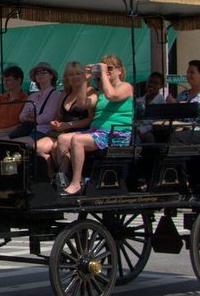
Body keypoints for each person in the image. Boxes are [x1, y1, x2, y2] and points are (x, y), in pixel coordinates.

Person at [56, 55, 134, 196]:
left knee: (77, 140)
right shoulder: (100, 93)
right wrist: (85, 80)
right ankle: (63, 179)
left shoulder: (125, 87)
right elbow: (82, 104)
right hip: (98, 132)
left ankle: (76, 182)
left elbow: (113, 96)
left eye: (110, 68)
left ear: (120, 71)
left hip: (116, 134)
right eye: (104, 68)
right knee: (62, 139)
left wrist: (102, 73)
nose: (107, 71)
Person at [37, 61, 97, 175]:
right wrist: (55, 123)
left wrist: (70, 125)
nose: (75, 77)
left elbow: (90, 119)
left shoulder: (90, 91)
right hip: (60, 131)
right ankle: (52, 176)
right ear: (67, 78)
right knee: (38, 147)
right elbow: (59, 116)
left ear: (84, 76)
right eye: (71, 74)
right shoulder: (65, 93)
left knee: (56, 147)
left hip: (79, 130)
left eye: (78, 74)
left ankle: (64, 177)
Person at [166, 60, 200, 145]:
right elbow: (176, 116)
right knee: (154, 135)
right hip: (180, 128)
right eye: (187, 72)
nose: (188, 75)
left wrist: (188, 109)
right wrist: (172, 106)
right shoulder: (183, 95)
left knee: (176, 137)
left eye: (192, 72)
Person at [11, 62, 62, 147]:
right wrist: (29, 117)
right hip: (26, 130)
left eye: (43, 72)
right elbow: (21, 116)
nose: (40, 75)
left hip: (43, 132)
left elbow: (48, 117)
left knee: (13, 144)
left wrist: (32, 117)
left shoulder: (56, 94)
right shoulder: (32, 96)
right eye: (37, 73)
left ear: (51, 75)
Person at [0, 65, 28, 138]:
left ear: (19, 80)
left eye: (8, 80)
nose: (5, 83)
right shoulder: (0, 99)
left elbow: (23, 126)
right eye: (4, 80)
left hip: (15, 134)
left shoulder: (26, 100)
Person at [136, 71, 167, 142]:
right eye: (150, 82)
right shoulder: (139, 101)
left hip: (150, 133)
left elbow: (156, 124)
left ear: (161, 86)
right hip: (136, 131)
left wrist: (141, 131)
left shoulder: (162, 103)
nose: (151, 85)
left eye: (156, 83)